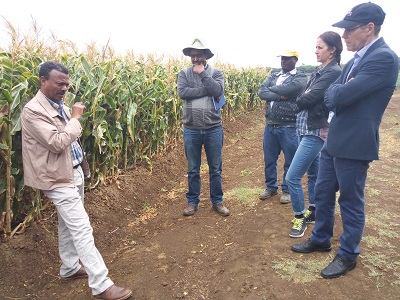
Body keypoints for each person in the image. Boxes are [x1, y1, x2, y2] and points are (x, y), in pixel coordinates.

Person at [291, 2, 399, 279]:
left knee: (350, 201)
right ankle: (321, 239)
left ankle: (348, 254)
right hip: (334, 139)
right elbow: (336, 93)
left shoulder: (384, 57)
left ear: (369, 28)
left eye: (349, 30)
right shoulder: (354, 61)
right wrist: (336, 92)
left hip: (355, 143)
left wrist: (335, 92)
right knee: (323, 194)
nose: (344, 36)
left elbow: (336, 96)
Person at [21, 61, 132, 300]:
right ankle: (101, 285)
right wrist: (76, 117)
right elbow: (57, 142)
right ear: (43, 80)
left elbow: (71, 144)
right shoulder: (33, 110)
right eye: (59, 83)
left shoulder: (58, 104)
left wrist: (83, 165)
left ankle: (70, 268)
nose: (64, 88)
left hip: (73, 172)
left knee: (67, 224)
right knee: (82, 228)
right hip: (56, 178)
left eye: (66, 84)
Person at [286, 32, 343, 238]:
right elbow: (306, 96)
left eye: (320, 47)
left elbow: (307, 99)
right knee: (313, 173)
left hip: (315, 130)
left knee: (292, 177)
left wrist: (302, 96)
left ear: (332, 50)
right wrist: (304, 96)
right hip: (305, 127)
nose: (316, 50)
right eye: (316, 47)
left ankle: (299, 217)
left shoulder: (333, 71)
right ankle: (315, 210)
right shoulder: (320, 71)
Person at [177, 38, 230, 217]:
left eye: (199, 55)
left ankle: (217, 201)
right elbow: (183, 93)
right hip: (191, 128)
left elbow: (217, 91)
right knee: (193, 169)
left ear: (206, 56)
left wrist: (203, 75)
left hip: (213, 128)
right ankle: (192, 202)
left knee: (215, 168)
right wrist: (206, 89)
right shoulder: (184, 74)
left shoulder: (216, 73)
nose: (195, 59)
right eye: (193, 56)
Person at [258, 51, 307, 204]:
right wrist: (279, 95)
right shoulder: (273, 76)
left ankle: (287, 190)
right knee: (269, 159)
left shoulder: (300, 77)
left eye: (287, 59)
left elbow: (291, 90)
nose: (283, 61)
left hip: (289, 126)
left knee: (290, 160)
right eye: (282, 58)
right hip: (270, 125)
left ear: (295, 60)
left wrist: (271, 90)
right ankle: (271, 187)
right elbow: (261, 92)